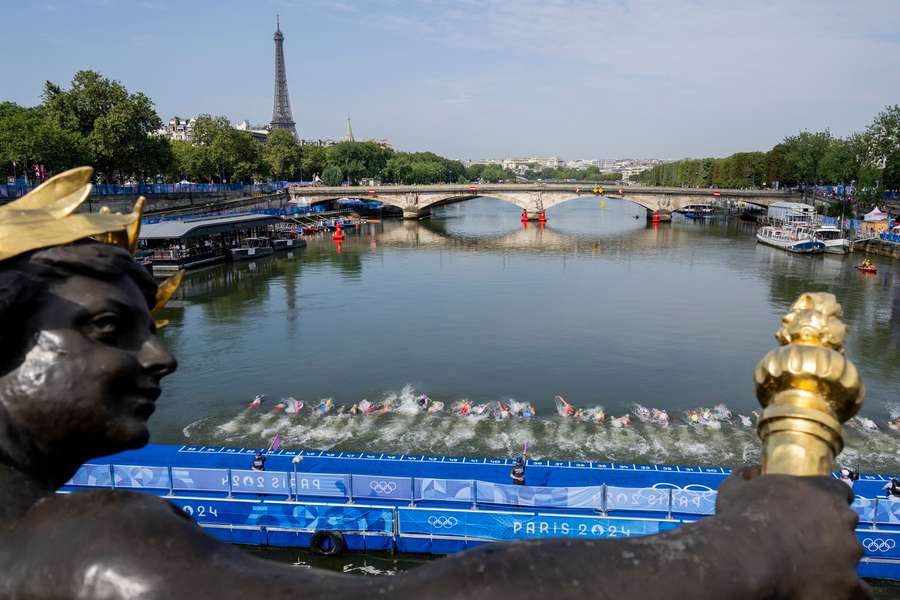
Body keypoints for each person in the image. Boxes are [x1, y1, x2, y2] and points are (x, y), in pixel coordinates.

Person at [0, 168, 873, 599]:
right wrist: (762, 548)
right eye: (109, 329)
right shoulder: (83, 552)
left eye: (155, 327)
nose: (162, 359)